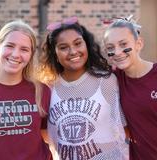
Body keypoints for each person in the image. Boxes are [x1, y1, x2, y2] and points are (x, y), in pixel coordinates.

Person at [41, 16, 128, 160]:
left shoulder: (107, 81)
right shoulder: (48, 88)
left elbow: (125, 128)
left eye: (78, 43)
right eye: (63, 47)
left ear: (86, 45)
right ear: (54, 54)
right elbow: (43, 132)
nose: (73, 51)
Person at [103, 15, 157, 160]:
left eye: (123, 44)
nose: (117, 52)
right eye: (110, 47)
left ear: (139, 44)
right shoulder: (113, 80)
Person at [0, 20, 53, 160]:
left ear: (30, 55)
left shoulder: (41, 91)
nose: (16, 54)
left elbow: (46, 134)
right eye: (10, 46)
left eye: (24, 49)